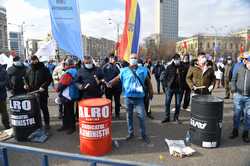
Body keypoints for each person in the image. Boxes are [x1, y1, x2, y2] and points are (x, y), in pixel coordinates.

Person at [108, 53, 153, 144]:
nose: (133, 59)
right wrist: (110, 83)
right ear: (129, 59)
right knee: (129, 117)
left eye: (135, 58)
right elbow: (118, 78)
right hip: (128, 98)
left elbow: (148, 82)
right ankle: (130, 133)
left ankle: (143, 135)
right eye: (132, 58)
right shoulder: (124, 70)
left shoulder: (143, 70)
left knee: (142, 116)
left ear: (138, 59)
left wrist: (151, 92)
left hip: (139, 98)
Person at [24, 55, 52, 130]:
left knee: (44, 108)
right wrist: (26, 85)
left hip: (42, 92)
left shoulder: (44, 69)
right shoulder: (29, 69)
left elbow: (49, 79)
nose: (33, 61)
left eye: (35, 60)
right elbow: (25, 78)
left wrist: (43, 86)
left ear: (37, 60)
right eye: (32, 60)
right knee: (34, 110)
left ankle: (47, 123)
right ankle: (37, 124)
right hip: (32, 93)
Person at [230, 55, 250, 143]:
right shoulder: (239, 68)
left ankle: (246, 133)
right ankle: (235, 131)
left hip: (249, 97)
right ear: (246, 62)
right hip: (238, 95)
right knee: (237, 114)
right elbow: (233, 79)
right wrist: (233, 90)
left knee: (248, 116)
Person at [56, 58, 78, 134]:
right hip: (71, 93)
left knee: (69, 111)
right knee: (67, 111)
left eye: (65, 64)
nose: (64, 65)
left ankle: (71, 127)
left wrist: (58, 89)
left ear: (68, 64)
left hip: (68, 94)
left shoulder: (70, 72)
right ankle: (66, 125)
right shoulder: (74, 70)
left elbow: (63, 83)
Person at [161, 54, 186, 123]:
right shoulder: (169, 67)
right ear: (174, 60)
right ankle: (167, 117)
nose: (178, 60)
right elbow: (164, 77)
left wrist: (183, 86)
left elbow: (185, 78)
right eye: (177, 59)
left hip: (179, 88)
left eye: (179, 59)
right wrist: (166, 86)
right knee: (167, 103)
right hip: (170, 88)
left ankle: (176, 117)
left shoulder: (183, 67)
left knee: (178, 104)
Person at [102, 54, 122, 119]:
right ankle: (109, 114)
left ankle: (117, 114)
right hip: (108, 88)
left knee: (117, 101)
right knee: (109, 101)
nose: (112, 59)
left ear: (115, 58)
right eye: (110, 58)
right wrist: (105, 83)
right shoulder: (105, 66)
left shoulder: (118, 66)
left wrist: (113, 83)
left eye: (113, 58)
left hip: (117, 87)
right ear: (109, 58)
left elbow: (121, 76)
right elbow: (102, 76)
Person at [0, 64, 10, 129]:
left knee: (4, 112)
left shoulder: (3, 71)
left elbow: (6, 81)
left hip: (1, 95)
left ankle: (6, 125)